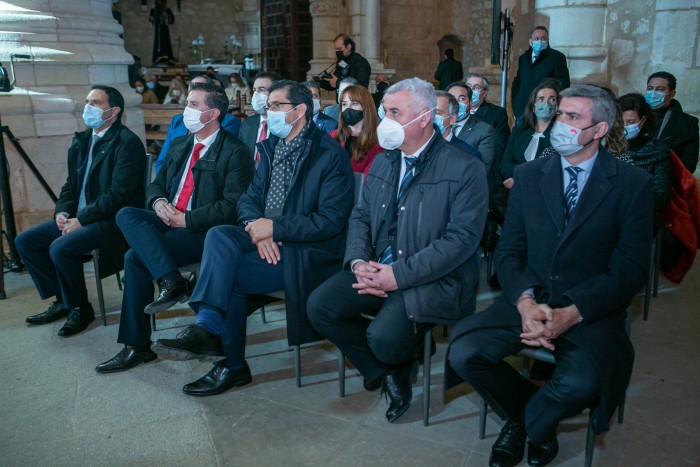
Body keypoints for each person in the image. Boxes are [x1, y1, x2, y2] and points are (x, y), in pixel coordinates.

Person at [446, 85, 654, 467]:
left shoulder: (631, 185)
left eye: (573, 117)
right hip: (530, 296)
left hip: (589, 308)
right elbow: (509, 252)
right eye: (560, 114)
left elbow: (630, 270)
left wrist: (572, 313)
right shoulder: (530, 174)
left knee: (581, 382)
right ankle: (538, 418)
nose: (560, 123)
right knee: (464, 352)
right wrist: (525, 303)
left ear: (600, 129)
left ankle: (525, 426)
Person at [149, 80, 355, 396]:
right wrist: (258, 228)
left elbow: (330, 221)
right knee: (219, 235)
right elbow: (246, 199)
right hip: (264, 237)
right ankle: (208, 330)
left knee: (229, 277)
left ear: (299, 111)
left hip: (306, 252)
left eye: (275, 106)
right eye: (268, 105)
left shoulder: (329, 155)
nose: (267, 111)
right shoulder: (272, 147)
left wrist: (275, 229)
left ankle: (228, 361)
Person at [307, 78, 488, 423]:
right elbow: (361, 215)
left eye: (393, 112)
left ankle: (396, 355)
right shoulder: (385, 160)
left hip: (433, 278)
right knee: (320, 308)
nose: (385, 120)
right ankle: (389, 367)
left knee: (382, 336)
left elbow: (460, 240)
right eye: (385, 110)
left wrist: (397, 276)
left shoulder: (465, 167)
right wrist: (359, 261)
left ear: (423, 118)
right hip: (379, 266)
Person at [95, 82, 255, 374]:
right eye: (188, 104)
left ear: (213, 113)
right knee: (127, 215)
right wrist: (157, 202)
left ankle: (136, 346)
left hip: (203, 230)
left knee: (134, 258)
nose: (186, 110)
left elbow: (231, 206)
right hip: (169, 216)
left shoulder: (235, 152)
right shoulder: (182, 143)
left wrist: (186, 220)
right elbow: (156, 183)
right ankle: (172, 280)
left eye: (194, 105)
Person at [16, 86, 146, 337]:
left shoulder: (127, 143)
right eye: (87, 101)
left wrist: (82, 219)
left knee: (60, 247)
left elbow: (118, 195)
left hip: (110, 220)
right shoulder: (84, 140)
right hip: (80, 215)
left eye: (95, 103)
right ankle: (63, 300)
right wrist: (62, 212)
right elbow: (70, 185)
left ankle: (80, 308)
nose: (88, 107)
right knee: (26, 241)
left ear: (114, 110)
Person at [155, 75, 241, 173]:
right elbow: (162, 161)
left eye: (199, 87)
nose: (194, 91)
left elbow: (221, 164)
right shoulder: (178, 120)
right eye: (192, 88)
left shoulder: (229, 122)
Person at [618, 92, 671, 232]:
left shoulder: (657, 151)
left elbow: (661, 197)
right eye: (620, 122)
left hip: (639, 213)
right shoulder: (609, 146)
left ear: (642, 121)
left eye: (630, 122)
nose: (624, 126)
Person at [500, 79, 561, 189]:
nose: (546, 103)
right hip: (515, 191)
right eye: (541, 99)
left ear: (557, 107)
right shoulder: (518, 131)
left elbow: (554, 170)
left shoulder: (561, 136)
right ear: (533, 107)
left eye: (552, 99)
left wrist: (521, 178)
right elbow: (505, 165)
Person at [511, 26, 570, 123]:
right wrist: (516, 105)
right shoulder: (523, 59)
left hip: (544, 113)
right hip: (522, 112)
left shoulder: (557, 58)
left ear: (547, 41)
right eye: (537, 39)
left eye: (543, 38)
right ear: (531, 42)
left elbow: (563, 85)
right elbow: (517, 82)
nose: (540, 41)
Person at [447, 82, 497, 192]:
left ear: (470, 103)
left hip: (466, 190)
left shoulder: (484, 131)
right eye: (452, 99)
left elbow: (482, 169)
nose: (456, 103)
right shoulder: (438, 126)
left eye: (462, 98)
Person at [645, 71, 699, 174]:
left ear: (672, 94)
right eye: (650, 88)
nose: (653, 93)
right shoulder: (635, 117)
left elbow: (689, 165)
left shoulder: (688, 123)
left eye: (660, 89)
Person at [331, 84, 382, 175]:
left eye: (354, 103)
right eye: (344, 104)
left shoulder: (378, 143)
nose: (348, 108)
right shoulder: (333, 136)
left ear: (366, 107)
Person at [238, 71, 283, 163]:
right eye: (254, 90)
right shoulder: (247, 123)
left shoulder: (285, 124)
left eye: (262, 90)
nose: (256, 95)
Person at [467, 73, 511, 158]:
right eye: (468, 86)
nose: (471, 90)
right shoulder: (456, 111)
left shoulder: (497, 113)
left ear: (484, 93)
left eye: (476, 87)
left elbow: (500, 145)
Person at [434, 90, 481, 160]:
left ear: (452, 119)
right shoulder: (414, 147)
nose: (429, 117)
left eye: (437, 113)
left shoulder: (469, 155)